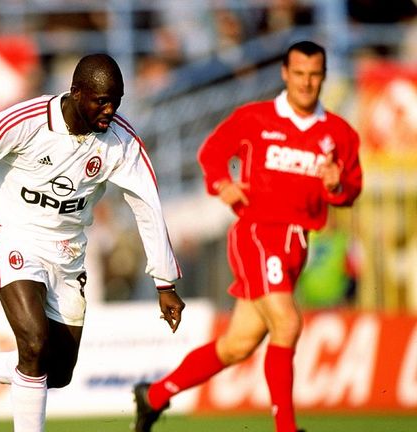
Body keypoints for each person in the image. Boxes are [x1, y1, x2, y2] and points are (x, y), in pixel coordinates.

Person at [0, 53, 186, 432]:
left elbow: (148, 204)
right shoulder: (27, 122)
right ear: (76, 92)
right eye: (101, 100)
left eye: (117, 100)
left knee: (56, 372)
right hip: (15, 235)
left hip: (68, 253)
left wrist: (165, 282)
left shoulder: (121, 141)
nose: (109, 110)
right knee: (33, 342)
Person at [132, 40, 363, 432]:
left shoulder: (338, 133)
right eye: (299, 74)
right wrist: (222, 182)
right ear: (285, 74)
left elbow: (350, 190)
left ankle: (153, 395)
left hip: (297, 243)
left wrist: (337, 185)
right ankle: (286, 428)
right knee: (287, 323)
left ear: (323, 76)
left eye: (314, 75)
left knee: (237, 345)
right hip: (258, 232)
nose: (307, 83)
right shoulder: (256, 118)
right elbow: (213, 152)